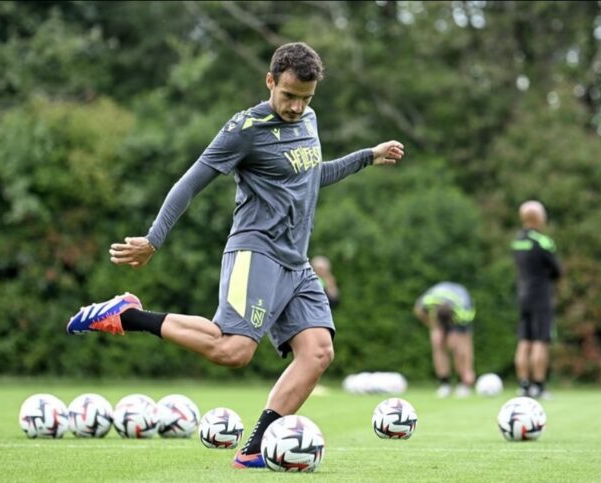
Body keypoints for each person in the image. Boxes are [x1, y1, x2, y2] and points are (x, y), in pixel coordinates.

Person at [65, 42, 405, 469]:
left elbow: (312, 175)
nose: (297, 107)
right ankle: (127, 314)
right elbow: (189, 182)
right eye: (289, 96)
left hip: (295, 263)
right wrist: (154, 238)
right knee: (233, 351)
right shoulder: (244, 128)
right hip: (255, 251)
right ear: (270, 81)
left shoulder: (309, 119)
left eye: (306, 98)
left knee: (318, 351)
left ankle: (255, 449)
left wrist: (367, 157)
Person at [511, 200, 561, 399]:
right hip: (541, 296)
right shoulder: (543, 241)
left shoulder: (517, 241)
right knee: (541, 341)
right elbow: (557, 271)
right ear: (538, 218)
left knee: (524, 341)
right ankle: (539, 385)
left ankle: (524, 385)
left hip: (523, 295)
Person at [413, 282, 476, 398]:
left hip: (460, 304)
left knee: (458, 347)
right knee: (437, 342)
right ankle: (444, 383)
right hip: (440, 308)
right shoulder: (428, 301)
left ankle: (463, 382)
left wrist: (468, 369)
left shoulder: (464, 312)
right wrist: (433, 325)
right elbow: (418, 310)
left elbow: (467, 343)